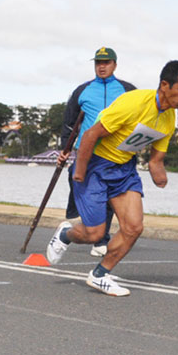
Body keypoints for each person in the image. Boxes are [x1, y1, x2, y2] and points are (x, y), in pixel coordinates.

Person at [46, 60, 178, 297]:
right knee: (94, 234)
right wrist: (80, 171)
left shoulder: (168, 118)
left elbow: (156, 159)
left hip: (124, 169)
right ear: (165, 85)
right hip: (95, 165)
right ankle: (66, 234)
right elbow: (89, 134)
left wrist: (159, 172)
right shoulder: (133, 103)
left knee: (133, 227)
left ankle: (100, 275)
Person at [58, 47, 136, 257]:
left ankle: (101, 238)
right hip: (87, 152)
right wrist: (65, 148)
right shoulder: (82, 90)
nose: (102, 67)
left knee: (110, 194)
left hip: (117, 152)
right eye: (98, 63)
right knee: (79, 184)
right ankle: (80, 224)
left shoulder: (128, 90)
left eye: (106, 62)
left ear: (115, 65)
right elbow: (69, 122)